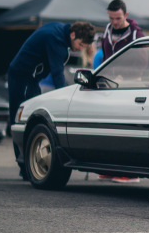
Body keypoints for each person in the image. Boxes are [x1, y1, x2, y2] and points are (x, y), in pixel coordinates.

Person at [8, 21, 95, 175]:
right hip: (21, 76)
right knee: (23, 120)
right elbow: (57, 73)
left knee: (33, 120)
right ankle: (25, 166)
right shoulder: (56, 40)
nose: (80, 49)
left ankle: (28, 165)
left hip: (31, 78)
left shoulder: (60, 29)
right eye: (80, 44)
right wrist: (65, 98)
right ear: (73, 35)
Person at [98, 0, 144, 183]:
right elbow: (105, 57)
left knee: (125, 130)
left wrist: (124, 78)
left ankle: (130, 173)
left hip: (129, 87)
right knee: (108, 129)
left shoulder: (136, 34)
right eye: (111, 18)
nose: (114, 22)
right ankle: (110, 168)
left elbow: (143, 64)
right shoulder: (107, 31)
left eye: (117, 18)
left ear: (125, 15)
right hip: (110, 85)